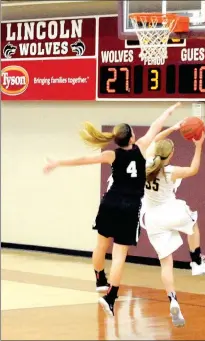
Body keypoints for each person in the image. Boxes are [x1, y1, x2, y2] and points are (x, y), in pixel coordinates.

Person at [43, 102, 181, 317]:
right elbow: (156, 125)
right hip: (130, 207)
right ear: (132, 138)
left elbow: (84, 160)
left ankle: (99, 277)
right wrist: (170, 111)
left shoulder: (112, 155)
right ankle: (110, 297)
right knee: (119, 256)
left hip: (110, 202)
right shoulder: (142, 147)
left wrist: (58, 163)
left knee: (100, 245)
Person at [141, 124, 205, 327]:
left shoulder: (145, 164)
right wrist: (198, 146)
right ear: (172, 154)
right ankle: (196, 262)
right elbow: (194, 169)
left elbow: (154, 139)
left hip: (153, 220)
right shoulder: (170, 171)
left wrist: (172, 128)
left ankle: (173, 299)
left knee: (166, 263)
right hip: (171, 211)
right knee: (193, 222)